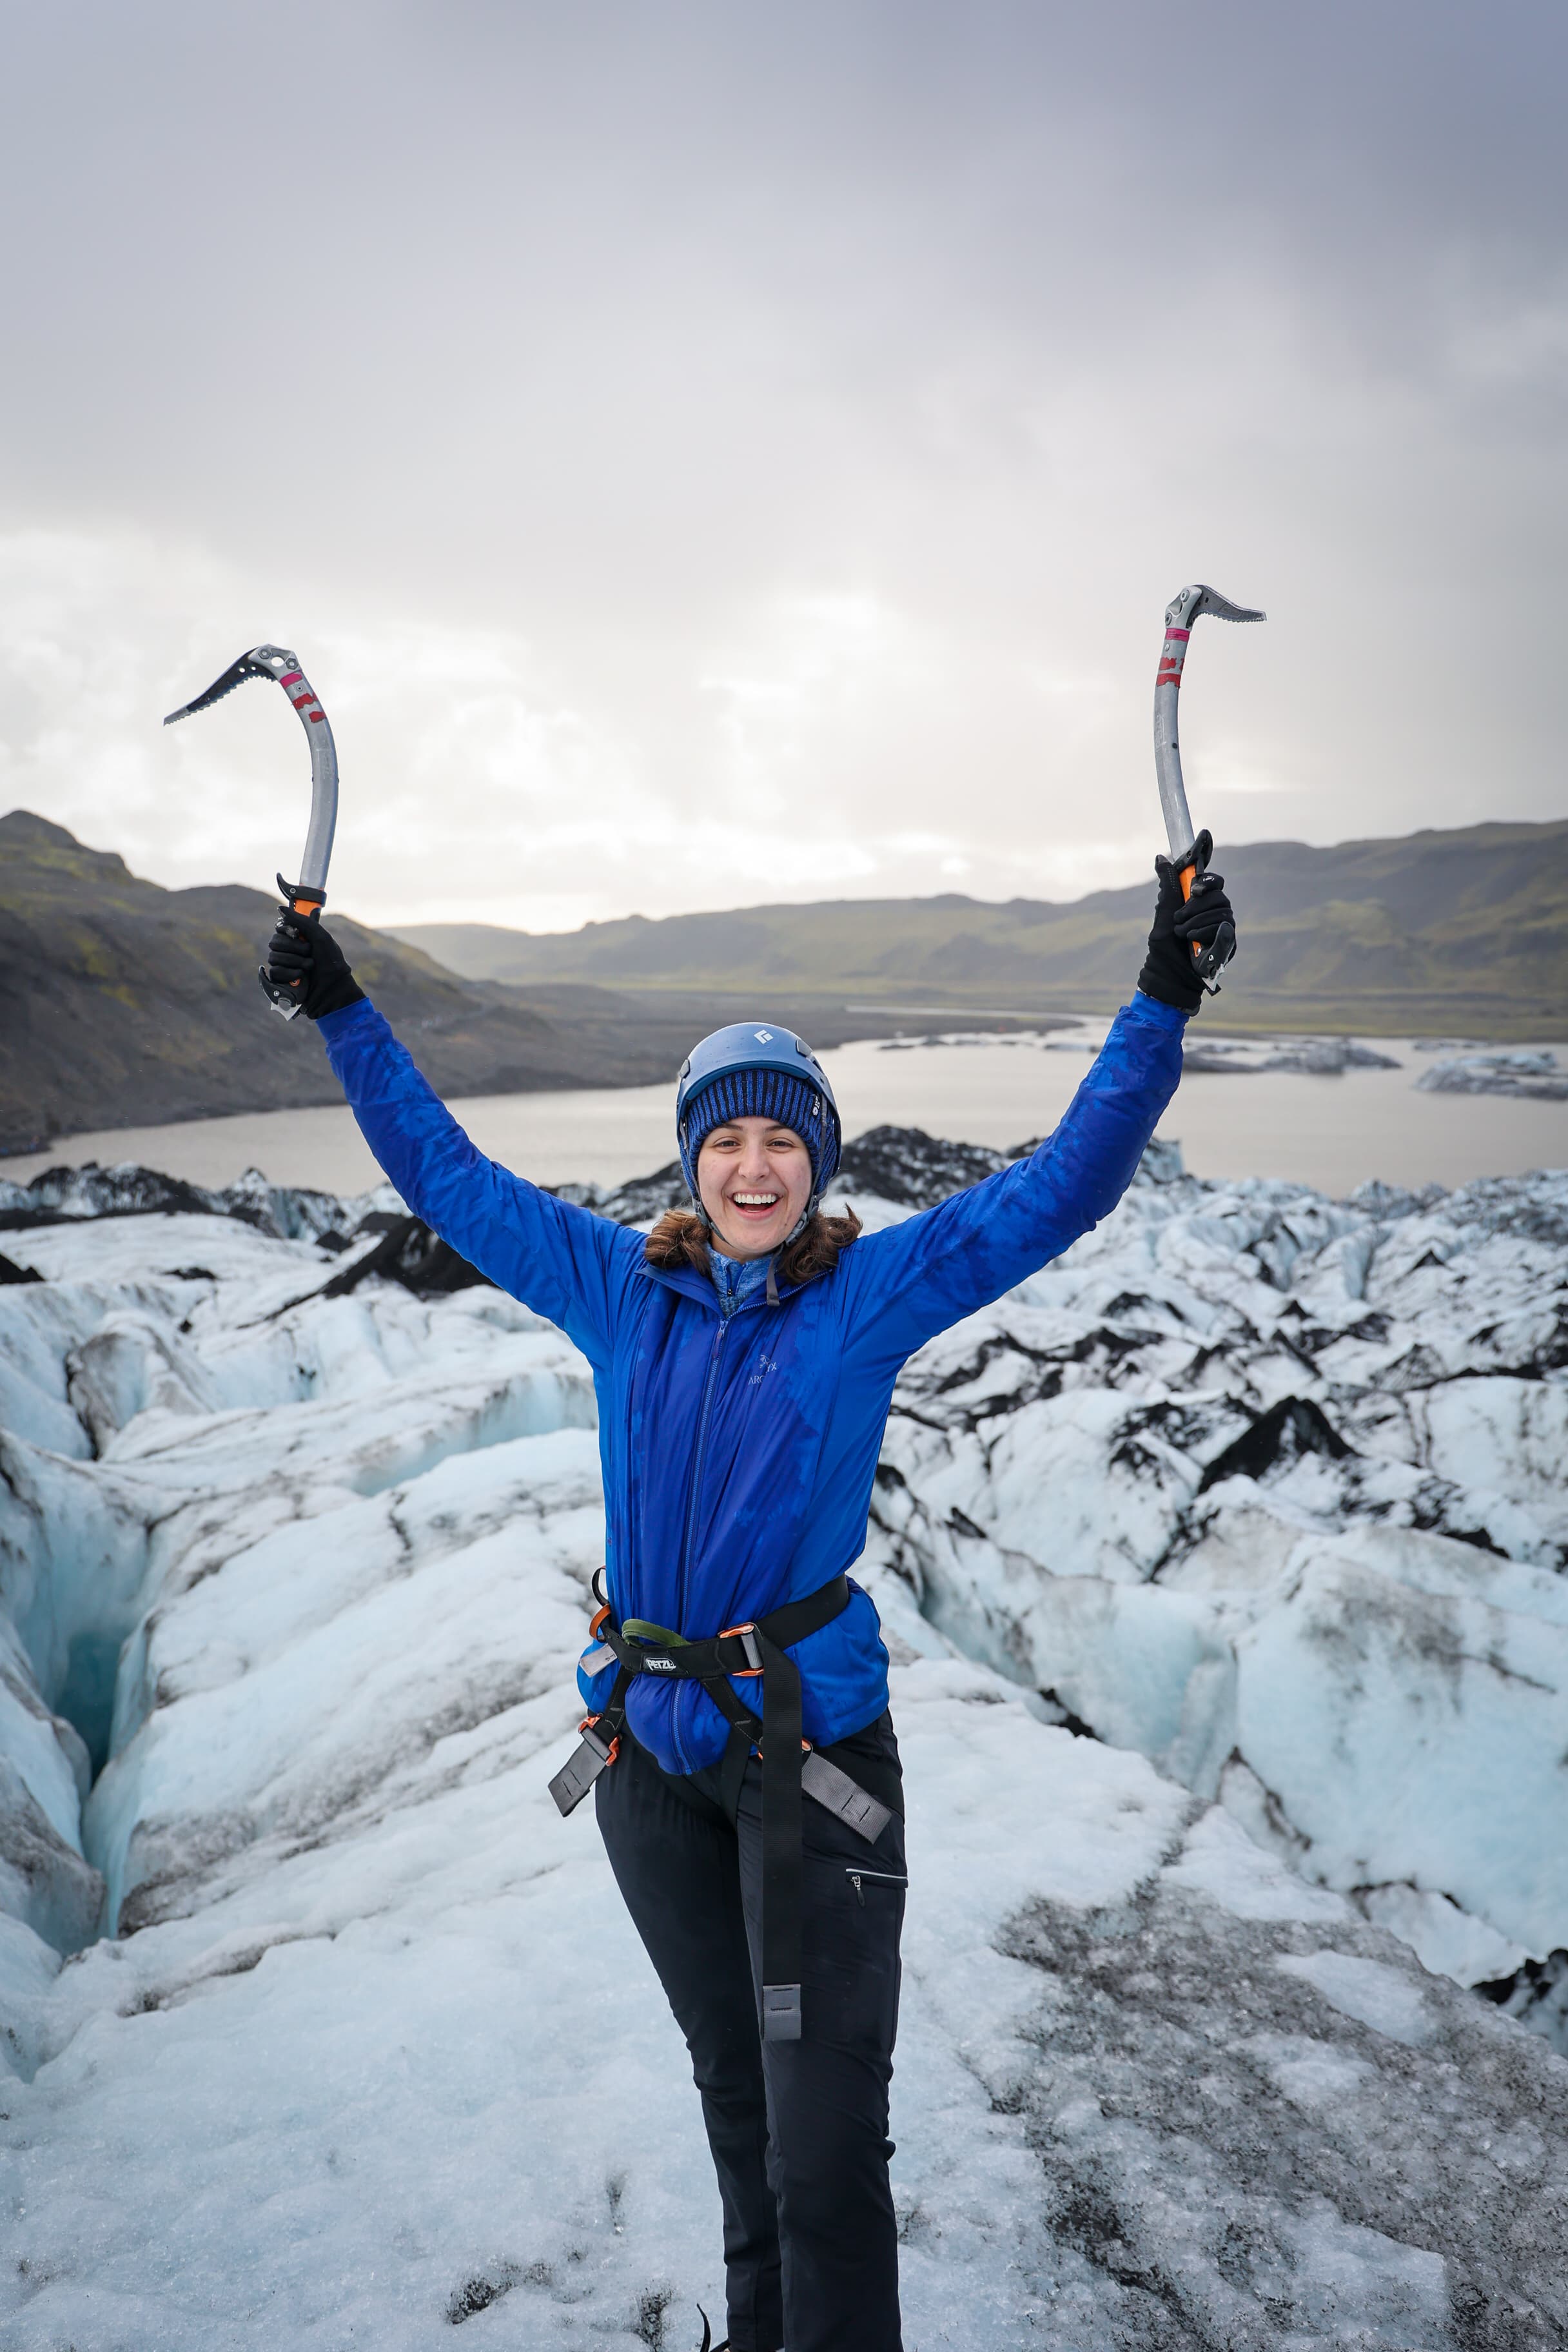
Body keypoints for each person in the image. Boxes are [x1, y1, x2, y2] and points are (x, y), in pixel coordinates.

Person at [264, 839, 1235, 2352]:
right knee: (738, 2101)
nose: (754, 1166)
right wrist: (341, 1007)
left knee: (824, 2148)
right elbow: (446, 1174)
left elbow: (1062, 1187)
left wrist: (1163, 993)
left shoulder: (867, 1298)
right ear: (692, 1159)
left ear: (816, 1163)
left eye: (783, 1140)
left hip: (806, 1769)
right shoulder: (616, 1287)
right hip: (649, 1767)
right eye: (726, 1140)